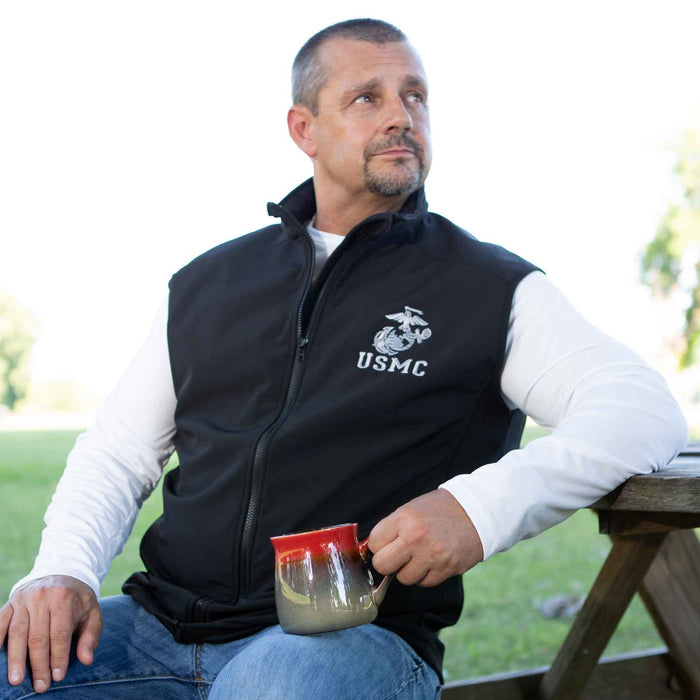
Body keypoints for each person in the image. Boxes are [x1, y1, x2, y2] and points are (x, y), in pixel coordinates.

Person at [0, 18, 689, 700]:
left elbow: (640, 410)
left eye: (415, 96)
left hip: (349, 641)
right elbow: (119, 452)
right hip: (161, 627)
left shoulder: (488, 287)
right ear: (304, 129)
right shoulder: (207, 284)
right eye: (368, 98)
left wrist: (475, 509)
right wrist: (63, 569)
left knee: (276, 687)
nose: (402, 117)